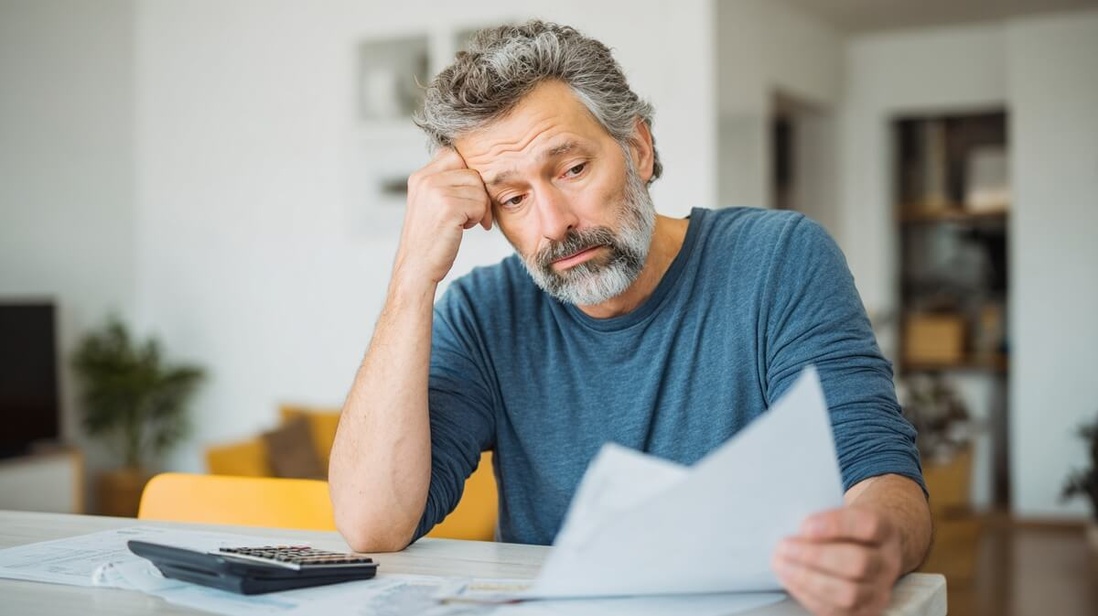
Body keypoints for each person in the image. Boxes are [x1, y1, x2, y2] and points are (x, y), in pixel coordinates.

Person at [330, 20, 931, 616]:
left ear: (638, 149)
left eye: (571, 169)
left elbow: (879, 471)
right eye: (513, 198)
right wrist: (412, 276)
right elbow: (371, 525)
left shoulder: (777, 259)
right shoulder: (484, 315)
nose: (555, 223)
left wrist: (873, 541)